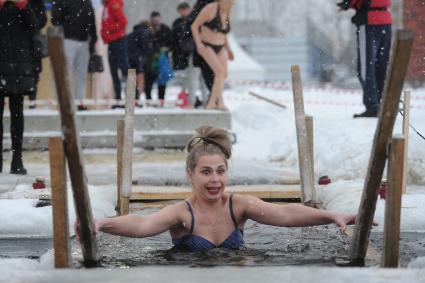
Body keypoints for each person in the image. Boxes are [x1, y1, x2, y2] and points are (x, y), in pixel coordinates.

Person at [76, 126, 361, 252]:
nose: (215, 180)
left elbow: (285, 214)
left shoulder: (239, 206)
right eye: (206, 172)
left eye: (221, 172)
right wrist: (102, 223)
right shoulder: (182, 214)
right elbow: (142, 223)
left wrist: (331, 215)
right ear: (190, 174)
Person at [0, 0, 39, 174]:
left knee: (17, 115)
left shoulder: (25, 3)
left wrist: (23, 6)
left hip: (19, 66)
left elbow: (35, 26)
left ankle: (17, 159)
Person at [337, 0, 392, 118]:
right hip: (386, 20)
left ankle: (373, 106)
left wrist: (348, 3)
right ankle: (382, 103)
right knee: (381, 66)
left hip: (370, 21)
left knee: (365, 67)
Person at [52, 0, 98, 111]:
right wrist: (64, 30)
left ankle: (79, 102)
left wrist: (93, 38)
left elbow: (91, 21)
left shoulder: (87, 3)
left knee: (81, 75)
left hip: (84, 42)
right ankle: (64, 102)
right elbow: (55, 19)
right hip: (68, 40)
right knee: (65, 73)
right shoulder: (63, 2)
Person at [191, 0, 234, 111]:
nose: (230, 5)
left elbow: (223, 33)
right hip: (206, 45)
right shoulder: (211, 8)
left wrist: (228, 49)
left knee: (223, 75)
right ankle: (215, 103)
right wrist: (198, 44)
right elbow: (194, 26)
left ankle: (216, 102)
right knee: (219, 72)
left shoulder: (227, 11)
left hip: (220, 46)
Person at [101, 0, 128, 109]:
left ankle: (132, 97)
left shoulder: (113, 4)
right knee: (113, 70)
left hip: (119, 40)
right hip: (111, 42)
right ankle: (118, 99)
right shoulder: (106, 6)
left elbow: (123, 21)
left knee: (124, 68)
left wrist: (108, 30)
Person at [144, 11, 172, 108]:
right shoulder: (148, 29)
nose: (156, 22)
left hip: (162, 59)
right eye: (154, 20)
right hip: (151, 60)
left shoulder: (165, 29)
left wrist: (165, 49)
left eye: (157, 19)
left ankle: (161, 101)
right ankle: (149, 101)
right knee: (149, 81)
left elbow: (171, 43)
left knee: (162, 80)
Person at [28, 0, 47, 109]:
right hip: (21, 41)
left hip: (35, 40)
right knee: (21, 74)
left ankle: (32, 103)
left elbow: (44, 19)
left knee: (35, 72)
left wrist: (33, 25)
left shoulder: (38, 2)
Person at [127, 21, 150, 107]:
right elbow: (145, 46)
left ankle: (132, 100)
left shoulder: (131, 34)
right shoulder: (144, 32)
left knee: (131, 81)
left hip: (130, 59)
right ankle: (138, 99)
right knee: (140, 80)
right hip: (139, 60)